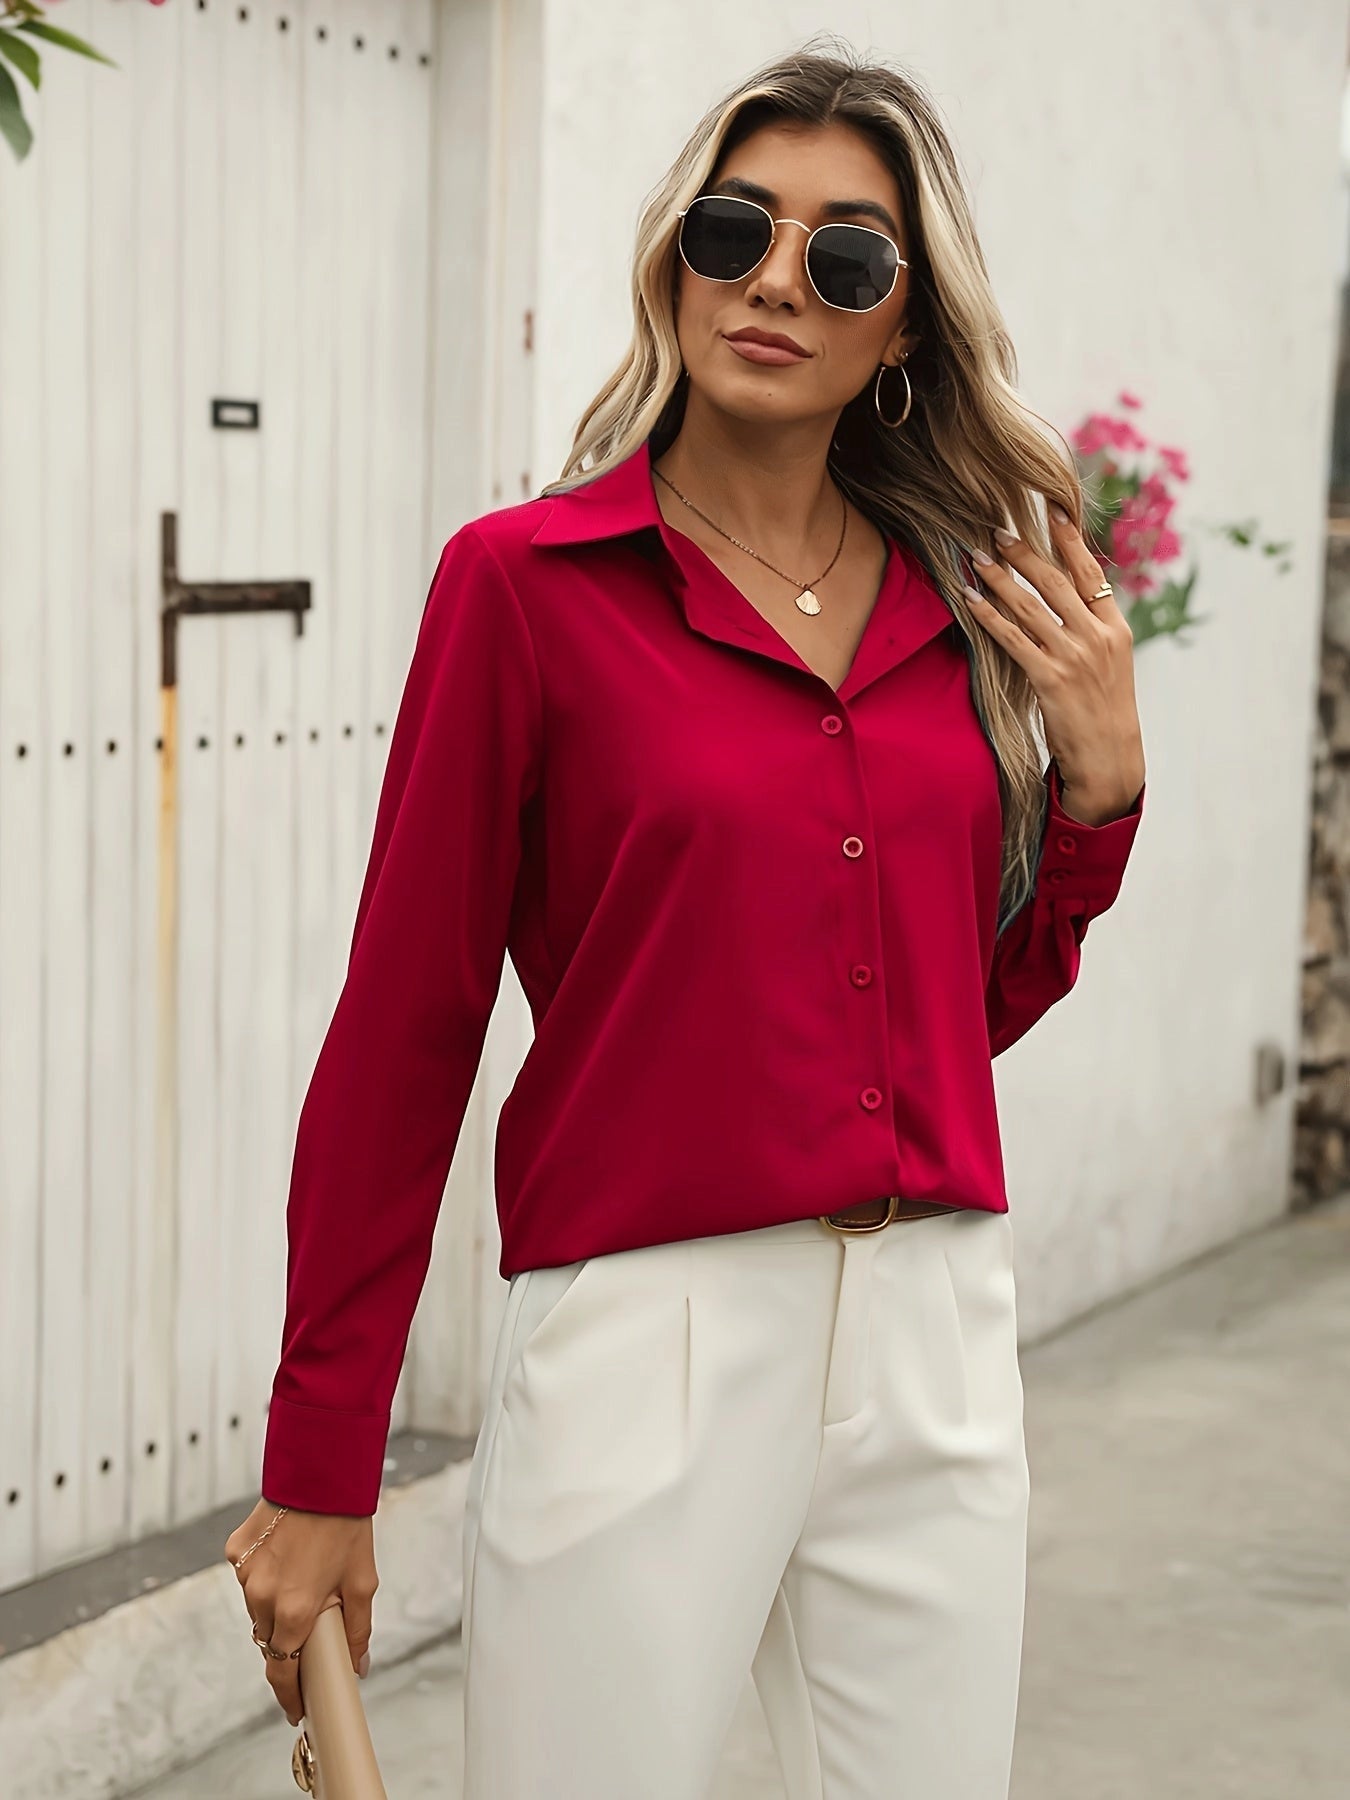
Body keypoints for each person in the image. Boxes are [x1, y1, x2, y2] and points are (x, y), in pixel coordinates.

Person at [225, 38, 1146, 1800]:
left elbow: (950, 1008)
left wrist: (1094, 800)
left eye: (847, 256)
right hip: (647, 1328)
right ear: (676, 259)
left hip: (935, 1330)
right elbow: (402, 1035)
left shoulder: (966, 616)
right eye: (737, 228)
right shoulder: (526, 588)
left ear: (906, 332)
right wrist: (322, 1454)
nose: (778, 279)